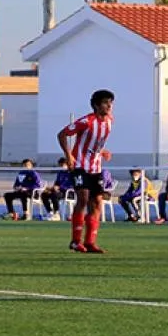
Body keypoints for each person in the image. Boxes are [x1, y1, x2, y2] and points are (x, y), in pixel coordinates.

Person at [57, 89, 114, 253]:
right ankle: (75, 241)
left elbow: (95, 142)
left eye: (110, 102)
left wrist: (102, 151)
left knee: (97, 202)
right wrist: (68, 156)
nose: (109, 106)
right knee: (83, 198)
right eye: (105, 103)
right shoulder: (86, 121)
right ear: (96, 105)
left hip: (96, 167)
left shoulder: (110, 120)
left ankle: (90, 242)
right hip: (80, 166)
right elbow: (61, 134)